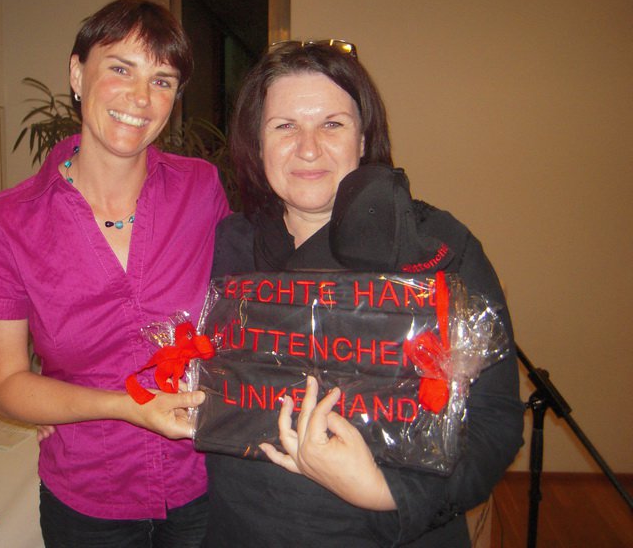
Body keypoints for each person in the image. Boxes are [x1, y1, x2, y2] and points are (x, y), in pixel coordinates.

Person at [203, 40, 524, 546]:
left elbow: (495, 421)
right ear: (257, 143)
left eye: (332, 124)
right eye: (284, 126)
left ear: (364, 138)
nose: (309, 148)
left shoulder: (437, 248)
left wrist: (386, 492)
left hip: (388, 534)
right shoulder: (228, 244)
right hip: (243, 531)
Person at [0, 0, 230, 547]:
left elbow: (240, 312)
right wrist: (122, 406)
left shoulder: (200, 190)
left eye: (162, 81)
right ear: (78, 75)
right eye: (121, 69)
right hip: (89, 497)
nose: (141, 97)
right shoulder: (7, 224)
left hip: (204, 482)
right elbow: (4, 384)